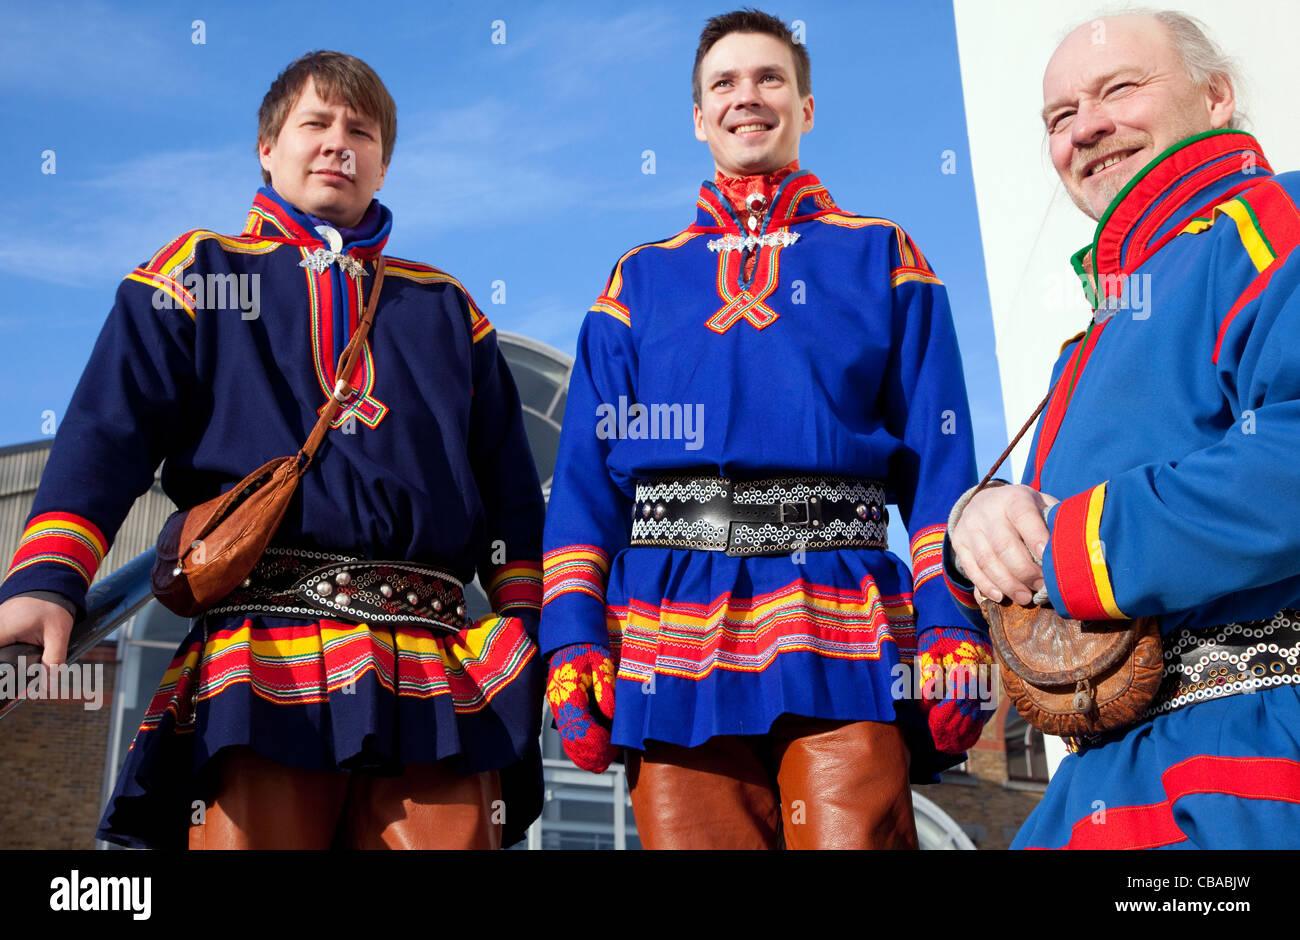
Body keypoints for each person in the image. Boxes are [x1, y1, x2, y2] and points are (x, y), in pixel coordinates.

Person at [0, 51, 546, 849]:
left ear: (384, 161)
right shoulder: (195, 271)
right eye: (315, 124)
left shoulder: (448, 308)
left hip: (434, 656)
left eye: (361, 131)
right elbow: (106, 433)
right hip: (265, 649)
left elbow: (509, 493)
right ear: (268, 147)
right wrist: (47, 579)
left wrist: (531, 625)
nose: (338, 144)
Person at [540, 9, 990, 849]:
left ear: (806, 108)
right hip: (669, 623)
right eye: (725, 84)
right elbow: (585, 483)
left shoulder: (885, 255)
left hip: (842, 612)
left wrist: (948, 620)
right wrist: (571, 641)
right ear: (700, 118)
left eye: (770, 78)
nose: (748, 97)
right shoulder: (638, 279)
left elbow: (939, 459)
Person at [946, 11, 1300, 849]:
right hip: (1102, 783)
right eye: (1059, 117)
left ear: (1217, 96)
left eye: (1119, 89)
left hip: (1247, 771)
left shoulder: (1275, 218)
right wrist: (986, 529)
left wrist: (1074, 544)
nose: (1087, 127)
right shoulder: (1097, 329)